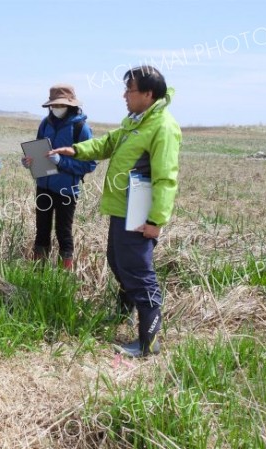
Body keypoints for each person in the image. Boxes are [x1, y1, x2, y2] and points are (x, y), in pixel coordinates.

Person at [50, 66, 182, 357]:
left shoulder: (162, 127)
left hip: (139, 213)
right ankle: (123, 316)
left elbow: (166, 178)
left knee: (137, 271)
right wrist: (76, 150)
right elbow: (108, 143)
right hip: (122, 208)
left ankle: (148, 343)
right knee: (117, 261)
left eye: (129, 90)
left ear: (148, 94)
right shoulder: (135, 122)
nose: (124, 95)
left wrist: (156, 221)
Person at [21, 84, 96, 269]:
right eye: (53, 105)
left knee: (64, 232)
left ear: (70, 105)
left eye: (60, 105)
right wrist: (30, 161)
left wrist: (60, 161)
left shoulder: (81, 128)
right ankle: (38, 272)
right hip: (43, 186)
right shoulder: (45, 124)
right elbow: (39, 150)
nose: (56, 109)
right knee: (42, 231)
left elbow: (90, 164)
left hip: (66, 190)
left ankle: (64, 277)